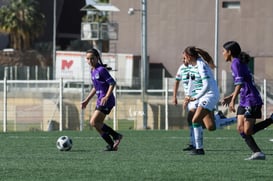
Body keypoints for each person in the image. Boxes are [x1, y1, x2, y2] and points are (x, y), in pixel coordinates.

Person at [221, 41, 273, 160]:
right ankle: (257, 153)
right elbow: (242, 83)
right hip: (244, 99)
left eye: (223, 51)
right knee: (241, 129)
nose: (222, 53)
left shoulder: (236, 63)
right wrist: (231, 96)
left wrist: (233, 100)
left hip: (251, 99)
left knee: (247, 130)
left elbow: (239, 83)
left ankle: (271, 120)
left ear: (229, 52)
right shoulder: (237, 62)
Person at [81, 48, 123, 151]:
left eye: (92, 58)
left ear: (97, 58)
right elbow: (96, 87)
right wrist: (87, 100)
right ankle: (112, 145)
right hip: (100, 100)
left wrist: (107, 96)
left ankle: (116, 136)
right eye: (88, 59)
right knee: (96, 124)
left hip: (106, 101)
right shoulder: (93, 70)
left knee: (94, 122)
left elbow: (112, 83)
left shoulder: (101, 70)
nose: (90, 61)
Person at [183, 46, 220, 155]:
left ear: (189, 56)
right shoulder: (192, 66)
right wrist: (188, 97)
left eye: (184, 56)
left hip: (210, 95)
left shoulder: (201, 65)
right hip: (203, 95)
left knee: (195, 119)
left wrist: (196, 97)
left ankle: (199, 149)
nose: (183, 58)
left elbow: (207, 85)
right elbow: (191, 83)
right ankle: (197, 147)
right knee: (210, 126)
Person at [173, 57, 199, 151]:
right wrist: (174, 97)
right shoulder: (181, 68)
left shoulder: (197, 67)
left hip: (197, 97)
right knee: (208, 124)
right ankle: (193, 144)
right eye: (182, 58)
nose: (183, 60)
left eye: (185, 58)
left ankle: (196, 145)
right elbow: (176, 82)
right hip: (189, 98)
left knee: (193, 118)